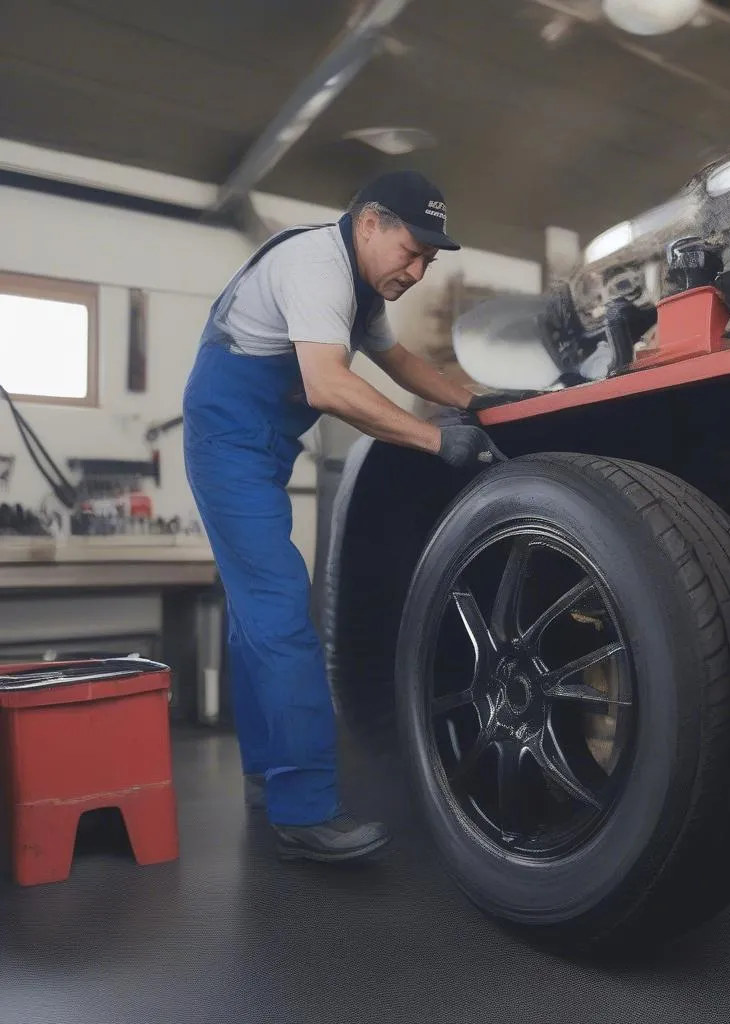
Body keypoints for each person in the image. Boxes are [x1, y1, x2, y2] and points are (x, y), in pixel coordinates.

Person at [182, 170, 504, 863]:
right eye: (410, 250)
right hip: (228, 440)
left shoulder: (361, 289)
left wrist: (475, 401)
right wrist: (433, 437)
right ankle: (305, 810)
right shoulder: (314, 266)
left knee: (252, 620)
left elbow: (399, 361)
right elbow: (328, 384)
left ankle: (267, 774)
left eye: (429, 260)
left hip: (262, 443)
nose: (417, 271)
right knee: (280, 614)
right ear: (368, 224)